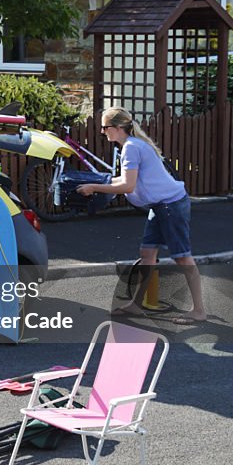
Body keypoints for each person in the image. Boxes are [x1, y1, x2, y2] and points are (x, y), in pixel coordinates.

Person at [77, 106, 206, 325]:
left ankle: (199, 311)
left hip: (170, 206)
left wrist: (94, 187)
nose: (102, 131)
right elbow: (124, 180)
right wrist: (98, 182)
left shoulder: (131, 148)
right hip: (161, 205)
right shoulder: (133, 145)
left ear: (118, 128)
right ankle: (136, 305)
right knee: (147, 253)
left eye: (105, 127)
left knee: (183, 257)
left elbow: (128, 186)